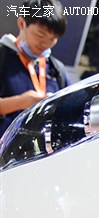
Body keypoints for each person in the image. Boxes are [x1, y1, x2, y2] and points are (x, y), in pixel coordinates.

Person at [0, 0, 68, 136]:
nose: (45, 43)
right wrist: (19, 102)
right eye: (40, 35)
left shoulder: (56, 69)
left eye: (53, 39)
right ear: (21, 23)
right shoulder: (3, 57)